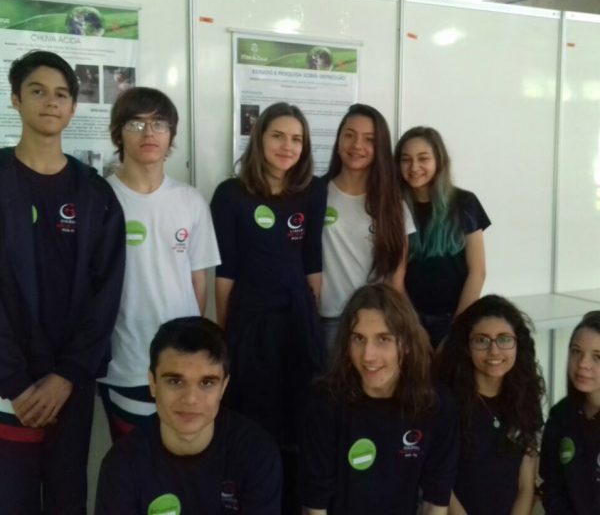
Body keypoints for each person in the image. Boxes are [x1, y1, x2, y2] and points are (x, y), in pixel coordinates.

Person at [0, 50, 125, 513]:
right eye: (37, 91)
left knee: (67, 498)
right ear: (15, 99)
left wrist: (68, 375)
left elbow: (105, 295)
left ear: (73, 108)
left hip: (70, 386)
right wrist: (14, 380)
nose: (50, 102)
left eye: (61, 94)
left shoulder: (94, 192)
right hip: (6, 387)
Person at [210, 101, 326, 513]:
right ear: (259, 140)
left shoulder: (312, 192)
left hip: (297, 324)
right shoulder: (230, 194)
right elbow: (225, 273)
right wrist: (225, 335)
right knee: (253, 425)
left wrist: (313, 326)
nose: (287, 146)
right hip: (250, 325)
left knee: (300, 426)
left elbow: (312, 264)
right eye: (278, 136)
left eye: (296, 139)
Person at [97, 87, 220, 440]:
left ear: (171, 135)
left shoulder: (191, 201)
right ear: (118, 133)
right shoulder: (100, 199)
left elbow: (198, 283)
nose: (149, 133)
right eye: (136, 123)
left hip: (183, 365)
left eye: (159, 124)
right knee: (132, 460)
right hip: (124, 364)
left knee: (184, 458)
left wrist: (189, 347)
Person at [95, 316, 282, 514]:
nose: (191, 399)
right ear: (153, 383)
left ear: (223, 387)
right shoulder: (122, 463)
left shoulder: (256, 454)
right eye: (175, 382)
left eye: (207, 383)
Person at [301, 283, 459, 515]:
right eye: (358, 338)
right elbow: (315, 504)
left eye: (383, 339)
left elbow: (435, 500)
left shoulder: (435, 404)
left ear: (406, 344)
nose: (368, 355)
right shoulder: (325, 402)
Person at [436, 295, 544, 515]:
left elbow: (525, 485)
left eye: (504, 339)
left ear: (518, 344)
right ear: (467, 347)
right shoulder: (446, 403)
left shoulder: (525, 397)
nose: (494, 351)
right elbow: (441, 484)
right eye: (482, 340)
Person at [320, 104, 414, 351]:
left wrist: (404, 328)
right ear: (338, 140)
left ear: (380, 147)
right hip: (325, 320)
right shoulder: (315, 194)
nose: (357, 145)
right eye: (349, 135)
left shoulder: (393, 204)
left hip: (375, 322)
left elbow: (396, 278)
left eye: (369, 139)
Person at [394, 126, 490, 347]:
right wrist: (413, 328)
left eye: (423, 158)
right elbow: (395, 277)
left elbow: (478, 272)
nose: (414, 167)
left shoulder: (465, 203)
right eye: (406, 159)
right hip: (408, 319)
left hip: (456, 318)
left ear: (439, 161)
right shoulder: (395, 207)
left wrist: (457, 329)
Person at [540, 311, 600, 514]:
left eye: (597, 357)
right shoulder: (560, 416)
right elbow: (552, 488)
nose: (582, 364)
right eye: (576, 351)